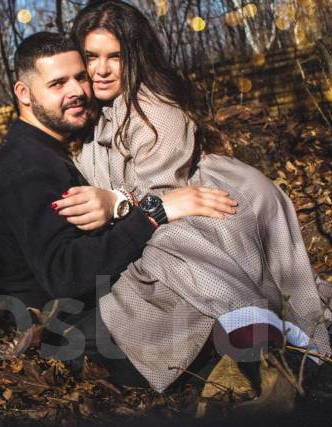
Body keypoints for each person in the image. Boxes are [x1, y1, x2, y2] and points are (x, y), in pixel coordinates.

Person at [50, 0, 332, 397]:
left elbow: (166, 196)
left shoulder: (154, 109)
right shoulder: (91, 115)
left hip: (207, 206)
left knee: (171, 248)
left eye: (115, 56)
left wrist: (115, 202)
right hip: (164, 213)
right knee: (146, 271)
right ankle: (249, 345)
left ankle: (265, 343)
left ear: (135, 56)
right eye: (92, 56)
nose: (101, 69)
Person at [0, 31, 236, 387]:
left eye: (80, 77)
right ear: (24, 93)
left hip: (90, 304)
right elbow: (65, 274)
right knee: (196, 305)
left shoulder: (47, 146)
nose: (76, 91)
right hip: (71, 327)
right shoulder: (27, 166)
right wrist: (151, 213)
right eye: (57, 83)